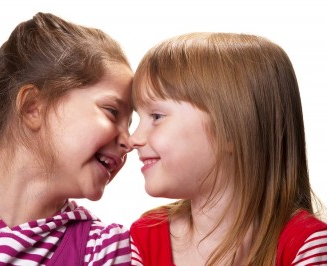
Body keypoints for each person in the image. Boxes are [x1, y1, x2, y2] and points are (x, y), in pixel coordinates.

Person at [0, 12, 135, 265]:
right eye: (112, 112)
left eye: (130, 123)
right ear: (33, 107)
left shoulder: (104, 248)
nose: (130, 142)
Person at [128, 32, 327, 265]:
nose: (134, 139)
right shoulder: (144, 237)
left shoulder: (306, 244)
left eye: (157, 116)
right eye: (136, 119)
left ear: (231, 131)